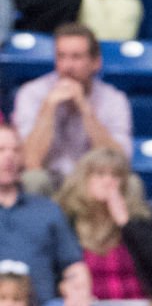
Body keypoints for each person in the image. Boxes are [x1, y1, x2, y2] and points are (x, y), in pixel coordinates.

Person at [0, 125, 125, 306]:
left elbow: (73, 265)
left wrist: (79, 293)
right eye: (1, 149)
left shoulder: (47, 209)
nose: (8, 156)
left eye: (15, 150)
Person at [56, 145, 152, 306]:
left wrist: (126, 224)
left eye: (116, 176)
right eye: (100, 174)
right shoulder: (67, 219)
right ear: (84, 180)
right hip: (94, 305)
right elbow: (58, 268)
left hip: (143, 304)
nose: (109, 182)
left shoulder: (140, 219)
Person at [14, 23, 132, 194]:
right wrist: (48, 109)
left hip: (91, 184)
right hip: (48, 181)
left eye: (76, 57)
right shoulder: (32, 93)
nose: (67, 66)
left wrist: (86, 109)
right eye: (61, 57)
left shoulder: (114, 100)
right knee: (33, 179)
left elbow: (117, 163)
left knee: (132, 184)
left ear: (95, 62)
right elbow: (29, 162)